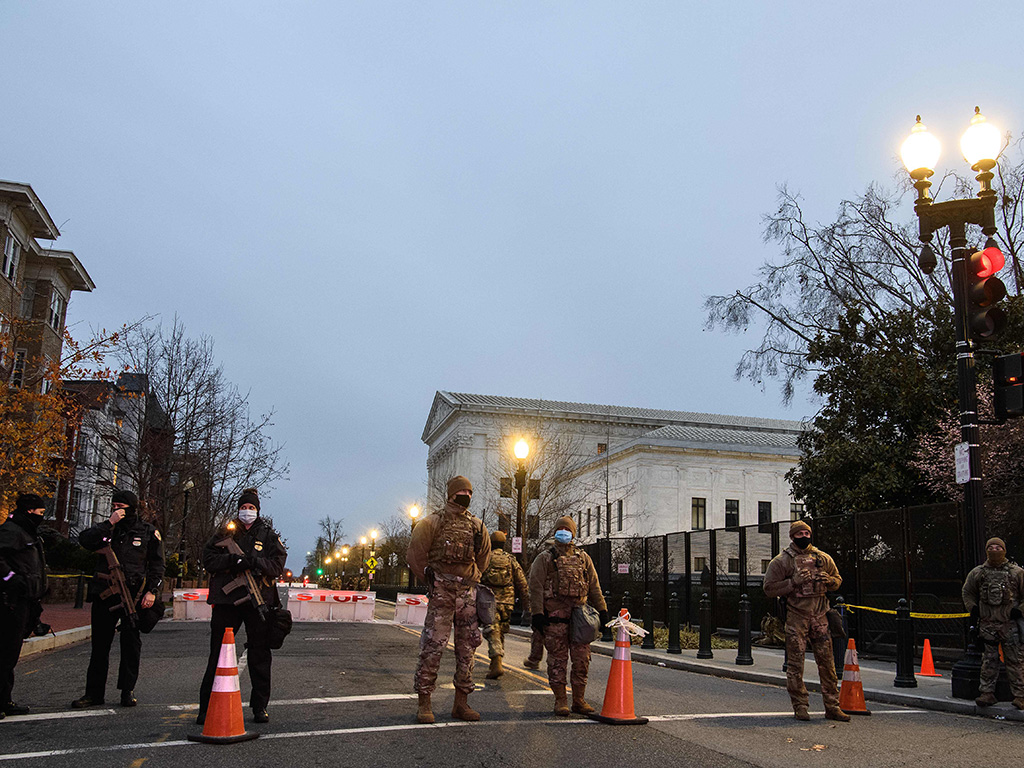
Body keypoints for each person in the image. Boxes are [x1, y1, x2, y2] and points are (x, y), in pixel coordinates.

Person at [197, 488, 286, 724]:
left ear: (257, 510)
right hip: (228, 602)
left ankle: (259, 707)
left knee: (259, 653)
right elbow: (208, 559)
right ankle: (206, 708)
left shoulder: (267, 535)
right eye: (244, 507)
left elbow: (277, 565)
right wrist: (232, 561)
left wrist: (254, 562)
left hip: (259, 601)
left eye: (251, 508)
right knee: (218, 654)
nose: (247, 512)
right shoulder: (225, 534)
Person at [406, 475, 491, 724]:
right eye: (462, 491)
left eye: (469, 491)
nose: (466, 495)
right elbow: (415, 555)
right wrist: (432, 581)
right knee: (432, 648)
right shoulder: (432, 522)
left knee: (468, 650)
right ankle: (424, 702)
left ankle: (461, 703)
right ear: (452, 493)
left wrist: (470, 578)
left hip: (467, 594)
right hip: (442, 593)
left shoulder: (477, 526)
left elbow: (483, 557)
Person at [72, 490, 165, 709]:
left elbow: (157, 565)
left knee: (131, 645)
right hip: (105, 594)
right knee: (99, 647)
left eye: (121, 506)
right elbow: (85, 540)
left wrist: (152, 591)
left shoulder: (148, 532)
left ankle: (127, 690)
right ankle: (93, 694)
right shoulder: (107, 529)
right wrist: (108, 523)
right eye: (114, 505)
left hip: (133, 596)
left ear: (131, 507)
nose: (117, 509)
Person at [763, 519, 849, 722]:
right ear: (792, 537)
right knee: (795, 664)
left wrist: (829, 581)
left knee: (827, 664)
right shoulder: (781, 561)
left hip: (820, 616)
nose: (804, 537)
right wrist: (793, 582)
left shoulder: (822, 558)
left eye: (806, 533)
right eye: (799, 534)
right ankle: (800, 706)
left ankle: (832, 706)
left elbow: (837, 580)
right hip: (797, 616)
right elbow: (768, 588)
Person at [528, 516, 607, 716]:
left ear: (573, 533)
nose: (563, 532)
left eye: (567, 529)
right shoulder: (545, 558)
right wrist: (537, 614)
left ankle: (579, 700)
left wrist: (603, 611)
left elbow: (594, 586)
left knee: (582, 660)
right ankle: (561, 700)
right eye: (560, 529)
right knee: (557, 661)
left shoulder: (583, 558)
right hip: (555, 619)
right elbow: (535, 587)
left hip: (580, 619)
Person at [0, 493, 49, 718]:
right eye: (40, 512)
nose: (43, 516)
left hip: (26, 600)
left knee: (11, 652)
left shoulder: (29, 532)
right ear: (29, 511)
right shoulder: (12, 530)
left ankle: (4, 700)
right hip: (11, 601)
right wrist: (11, 578)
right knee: (5, 651)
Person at [962, 537, 1024, 709]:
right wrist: (973, 609)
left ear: (1004, 550)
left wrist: (1019, 611)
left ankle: (1020, 695)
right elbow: (967, 592)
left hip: (1009, 624)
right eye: (991, 547)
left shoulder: (1016, 572)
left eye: (998, 547)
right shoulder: (979, 573)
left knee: (1015, 661)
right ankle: (987, 693)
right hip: (987, 624)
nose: (994, 550)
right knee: (989, 660)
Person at [479, 530, 528, 679]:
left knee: (492, 630)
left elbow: (476, 576)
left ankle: (496, 660)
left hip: (489, 600)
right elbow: (522, 582)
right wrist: (527, 604)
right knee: (500, 631)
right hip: (508, 601)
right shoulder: (510, 559)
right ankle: (496, 662)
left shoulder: (486, 558)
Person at [522, 537, 554, 670]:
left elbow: (535, 585)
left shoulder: (542, 559)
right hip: (563, 604)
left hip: (545, 602)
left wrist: (535, 608)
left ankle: (535, 658)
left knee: (538, 632)